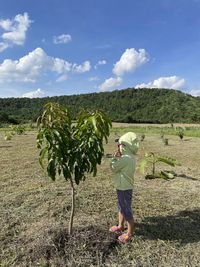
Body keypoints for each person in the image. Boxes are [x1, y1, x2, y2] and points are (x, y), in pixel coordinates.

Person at [109, 132, 139, 243]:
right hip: (123, 187)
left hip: (124, 188)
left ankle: (129, 234)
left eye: (119, 145)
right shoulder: (129, 157)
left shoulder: (125, 158)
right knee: (121, 207)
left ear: (125, 146)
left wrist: (114, 158)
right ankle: (120, 226)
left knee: (126, 210)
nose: (118, 148)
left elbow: (114, 167)